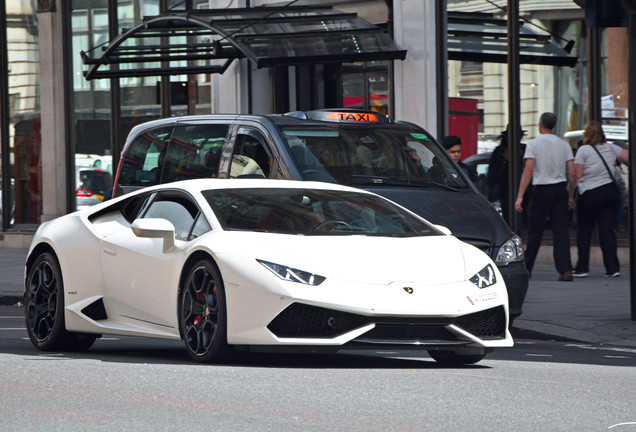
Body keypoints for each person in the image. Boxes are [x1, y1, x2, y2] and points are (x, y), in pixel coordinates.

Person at [514, 112, 576, 281]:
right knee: (560, 231)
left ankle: (528, 268)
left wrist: (520, 196)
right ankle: (565, 270)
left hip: (541, 189)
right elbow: (572, 173)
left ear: (541, 124)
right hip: (559, 189)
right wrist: (570, 195)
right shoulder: (564, 145)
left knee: (535, 231)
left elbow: (528, 171)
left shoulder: (533, 144)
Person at [570, 121, 628, 278]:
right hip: (610, 193)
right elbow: (628, 156)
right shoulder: (611, 148)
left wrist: (571, 195)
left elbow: (577, 175)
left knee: (584, 231)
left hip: (590, 194)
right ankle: (613, 268)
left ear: (587, 134)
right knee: (607, 232)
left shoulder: (583, 150)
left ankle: (582, 268)